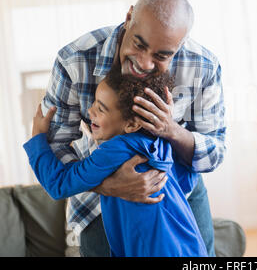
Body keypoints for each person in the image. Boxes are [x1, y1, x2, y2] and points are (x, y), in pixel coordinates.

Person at [42, 0, 226, 256]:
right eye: (139, 44)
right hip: (98, 200)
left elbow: (215, 153)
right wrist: (107, 184)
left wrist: (171, 130)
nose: (144, 63)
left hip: (178, 196)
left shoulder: (203, 67)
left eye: (161, 56)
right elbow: (55, 145)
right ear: (129, 17)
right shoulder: (74, 60)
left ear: (181, 45)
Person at [24, 69, 208, 257]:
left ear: (132, 125)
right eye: (94, 103)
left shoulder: (116, 149)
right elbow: (188, 180)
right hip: (190, 248)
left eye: (100, 109)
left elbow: (59, 185)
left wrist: (37, 138)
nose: (89, 111)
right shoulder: (162, 143)